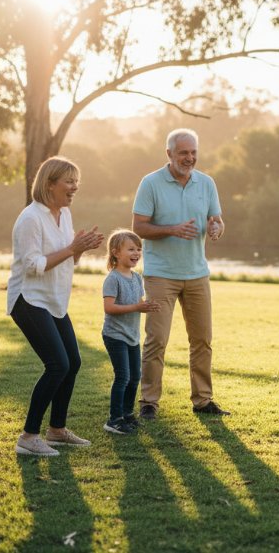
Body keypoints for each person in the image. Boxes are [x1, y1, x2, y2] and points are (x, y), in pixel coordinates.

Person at [8, 156, 104, 456]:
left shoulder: (64, 214)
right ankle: (28, 436)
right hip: (29, 299)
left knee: (72, 362)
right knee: (57, 364)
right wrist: (71, 249)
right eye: (69, 181)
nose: (75, 187)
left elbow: (66, 260)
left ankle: (57, 430)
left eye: (77, 181)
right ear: (50, 184)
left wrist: (79, 250)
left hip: (53, 300)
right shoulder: (30, 218)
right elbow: (34, 266)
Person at [132, 128, 229, 419]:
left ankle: (203, 400)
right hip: (161, 274)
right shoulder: (150, 184)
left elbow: (217, 220)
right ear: (169, 154)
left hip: (197, 273)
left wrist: (216, 228)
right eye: (184, 153)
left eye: (193, 153)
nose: (189, 158)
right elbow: (138, 227)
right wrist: (172, 229)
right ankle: (149, 401)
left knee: (202, 339)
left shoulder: (206, 183)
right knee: (156, 339)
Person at [101, 230, 159, 434]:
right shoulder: (113, 279)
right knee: (123, 376)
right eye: (131, 249)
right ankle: (114, 419)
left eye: (139, 249)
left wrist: (146, 305)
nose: (136, 253)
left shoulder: (136, 278)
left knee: (135, 376)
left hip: (132, 336)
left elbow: (137, 303)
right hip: (115, 335)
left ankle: (127, 414)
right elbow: (109, 308)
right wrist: (137, 308)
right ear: (116, 252)